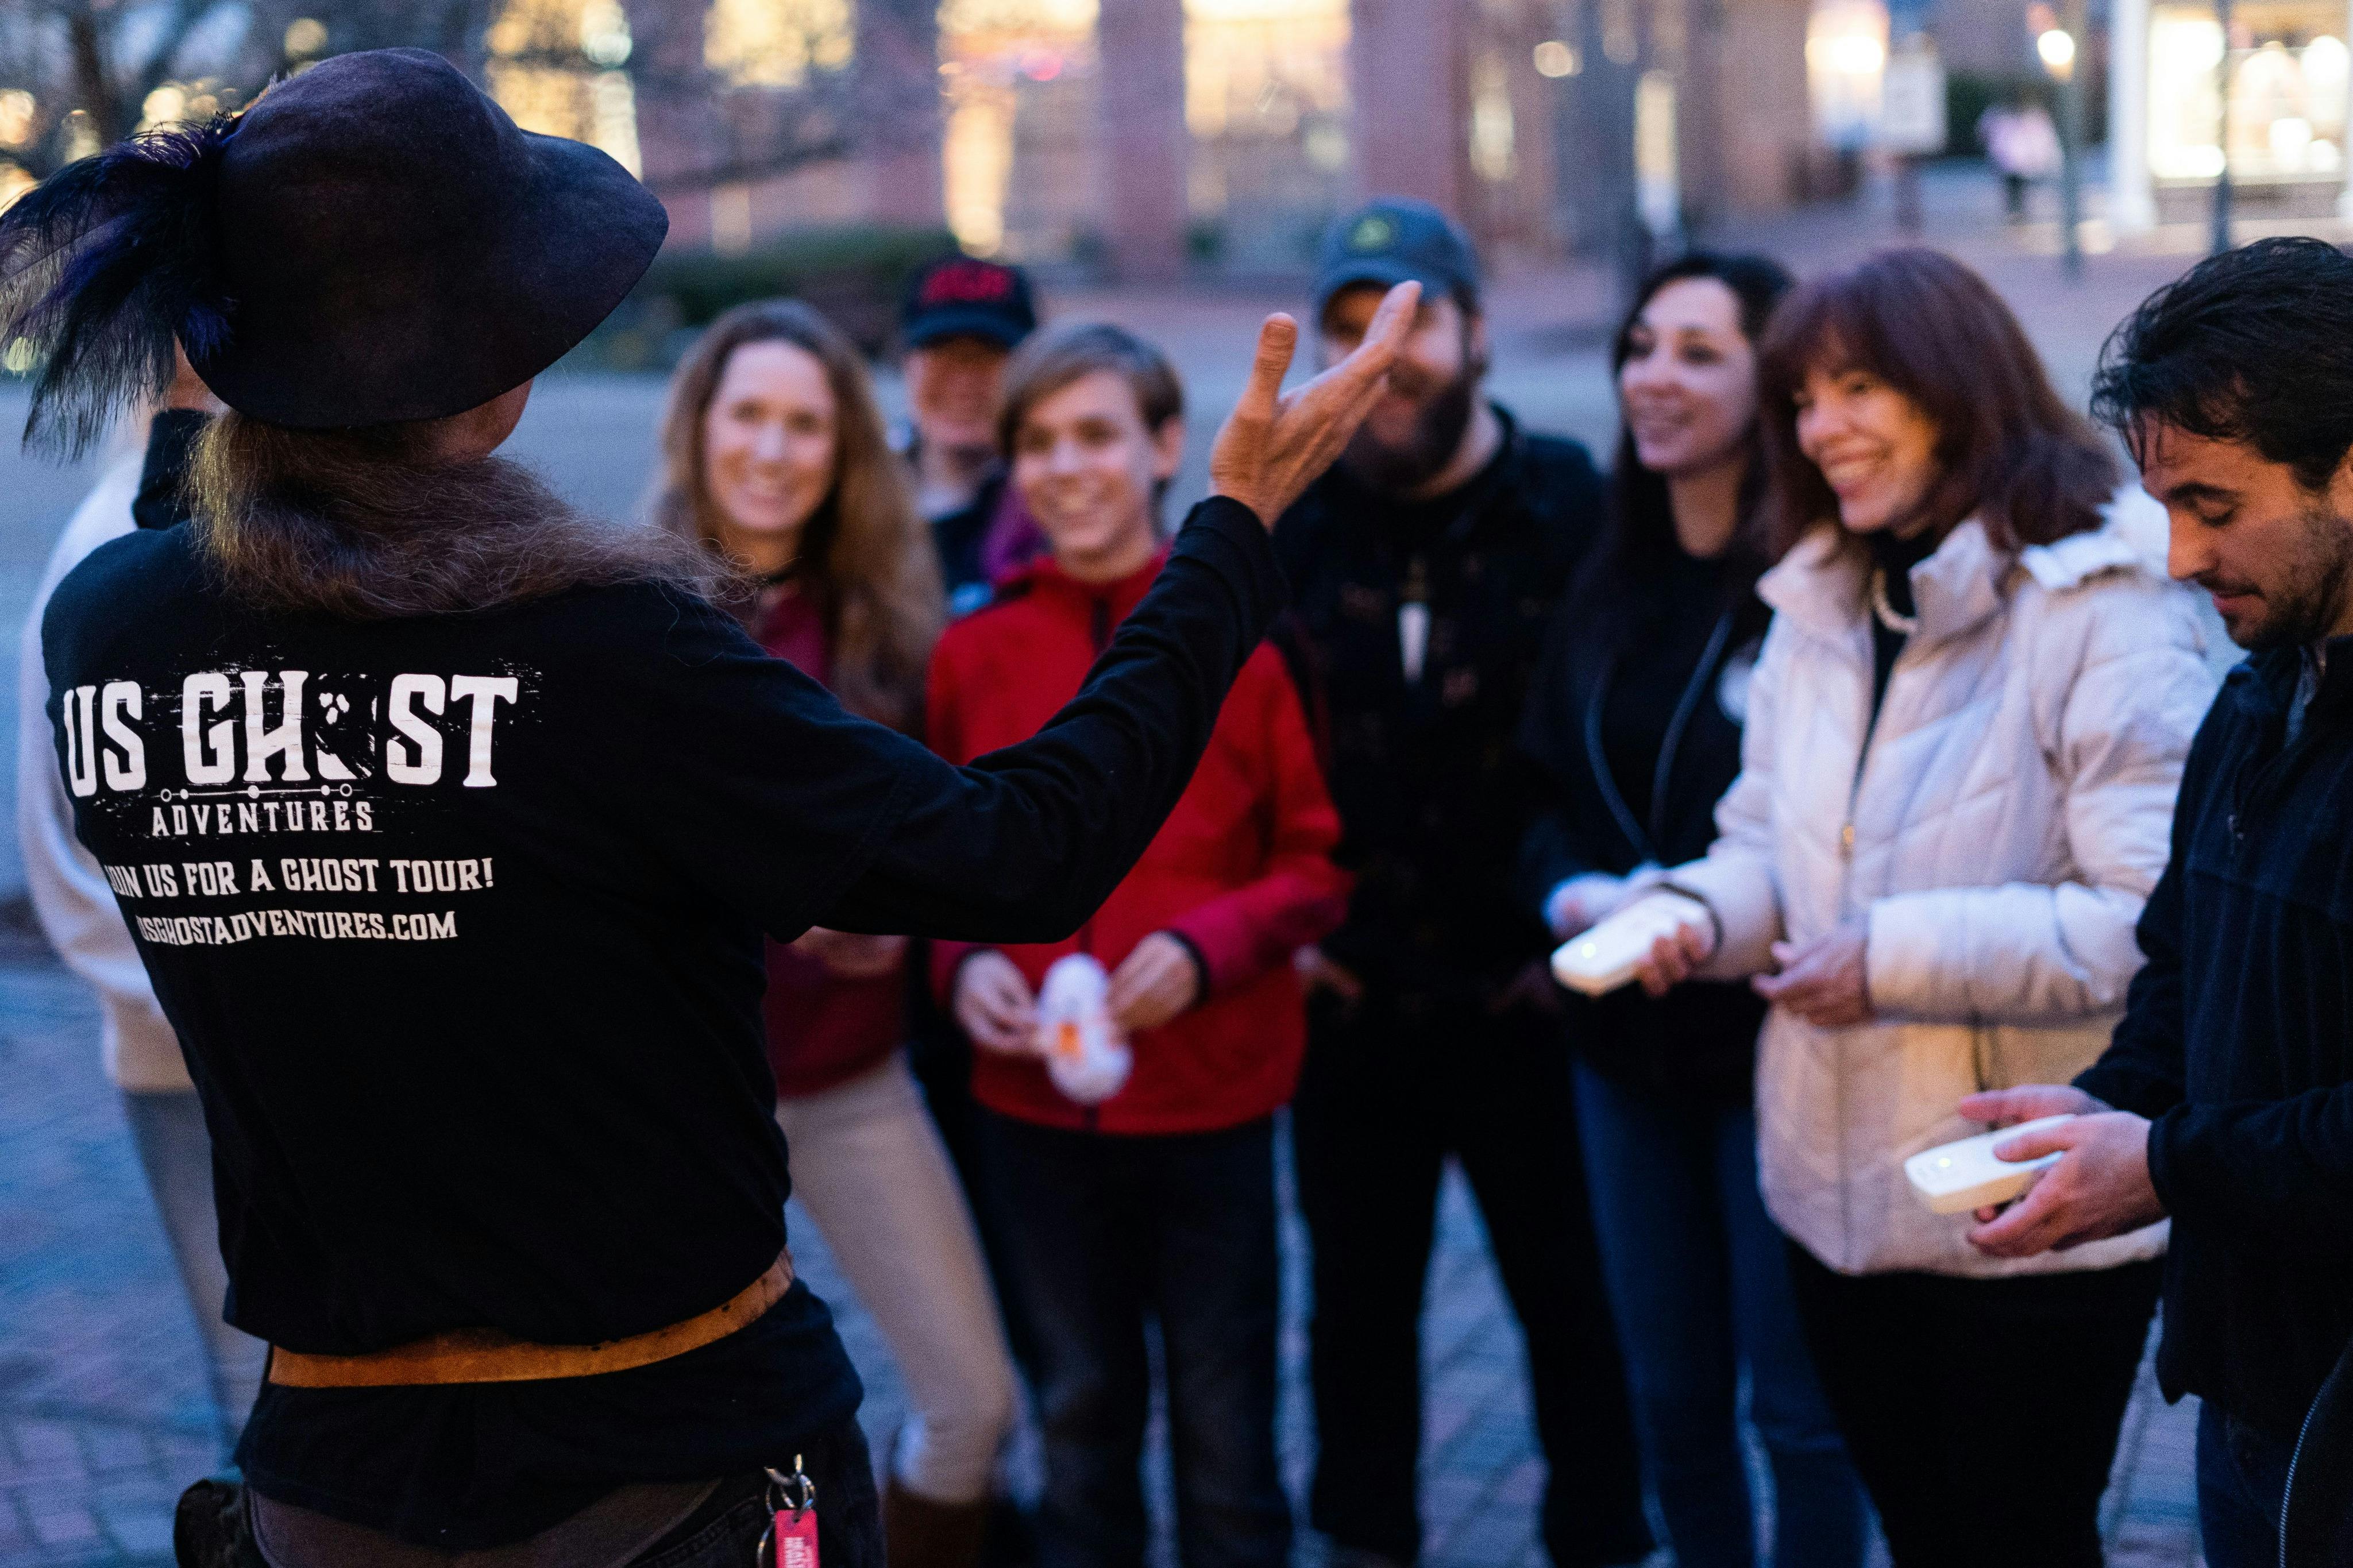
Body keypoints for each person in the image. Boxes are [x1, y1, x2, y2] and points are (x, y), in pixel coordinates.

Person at [4, 48, 1419, 1567]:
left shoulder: (108, 635)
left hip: (330, 1491)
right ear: (496, 361)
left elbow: (201, 534)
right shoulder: (605, 651)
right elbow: (1021, 850)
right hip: (673, 1472)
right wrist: (1230, 532)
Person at [1628, 248, 2215, 1567]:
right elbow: (1765, 841)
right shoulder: (1820, 590)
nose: (1817, 427)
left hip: (2021, 1200)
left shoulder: (2100, 597)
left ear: (1954, 386)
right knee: (1916, 1531)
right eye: (1800, 398)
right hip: (1836, 1192)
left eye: (1856, 388)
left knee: (2014, 1542)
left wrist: (1887, 957)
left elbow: (2148, 922)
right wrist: (1691, 916)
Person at [928, 322, 1349, 1568]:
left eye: (1096, 436)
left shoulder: (1250, 651)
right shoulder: (972, 651)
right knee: (1079, 1412)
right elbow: (933, 868)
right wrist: (964, 965)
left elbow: (1315, 865)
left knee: (1226, 1426)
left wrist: (1210, 947)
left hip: (1211, 1106)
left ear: (1167, 447)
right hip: (1033, 1116)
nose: (1066, 469)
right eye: (1038, 442)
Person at [1960, 235, 2353, 1567]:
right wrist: (2108, 1109)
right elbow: (2184, 966)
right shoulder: (2254, 697)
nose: (2178, 555)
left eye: (2213, 505)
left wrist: (2160, 1165)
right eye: (2163, 504)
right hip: (2248, 1405)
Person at [1273, 197, 1651, 1568]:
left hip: (1532, 1006)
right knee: (1355, 1318)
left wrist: (1582, 935)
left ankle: (1601, 1542)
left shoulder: (1573, 506)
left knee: (1578, 1310)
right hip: (1350, 1001)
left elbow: (1622, 738)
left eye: (1413, 320)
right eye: (1350, 327)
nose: (1383, 356)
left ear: (1478, 333)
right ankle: (1366, 1542)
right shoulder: (1292, 520)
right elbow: (1230, 743)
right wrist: (1284, 933)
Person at [648, 298, 1018, 1568]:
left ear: (844, 446)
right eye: (747, 413)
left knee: (972, 1404)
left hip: (854, 1079)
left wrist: (906, 923)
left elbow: (959, 841)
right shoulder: (627, 616)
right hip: (686, 1106)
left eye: (804, 423)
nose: (772, 448)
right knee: (697, 1455)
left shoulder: (892, 624)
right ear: (698, 427)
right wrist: (769, 893)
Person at [1518, 252, 1865, 1568]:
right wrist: (1574, 892)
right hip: (1620, 1052)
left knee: (1799, 1414)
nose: (1651, 378)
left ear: (1769, 385)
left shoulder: (1821, 588)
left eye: (1697, 353)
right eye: (1640, 346)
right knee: (1668, 1400)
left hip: (1775, 1047)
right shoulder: (1604, 572)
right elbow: (1538, 789)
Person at [14, 362, 268, 1452]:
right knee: (263, 1397)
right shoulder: (115, 536)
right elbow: (61, 840)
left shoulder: (289, 511)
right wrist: (210, 994)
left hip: (285, 1044)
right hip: (191, 1062)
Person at [897, 253, 1046, 615]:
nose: (964, 381)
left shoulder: (1062, 503)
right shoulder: (854, 490)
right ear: (905, 363)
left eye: (988, 354)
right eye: (943, 351)